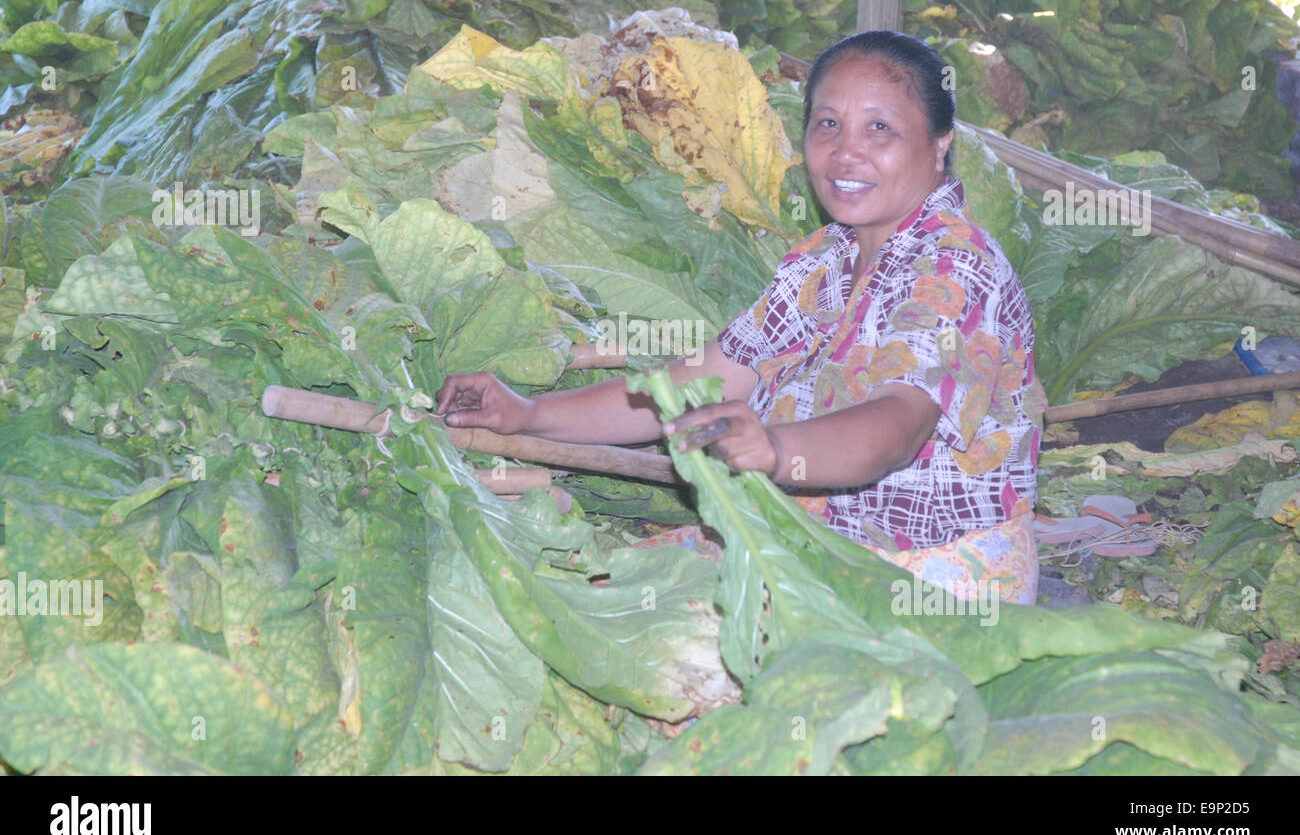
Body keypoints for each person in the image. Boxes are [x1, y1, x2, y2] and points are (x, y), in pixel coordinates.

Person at [435, 30, 1046, 604]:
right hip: (818, 541)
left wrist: (776, 450)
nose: (844, 152)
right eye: (827, 124)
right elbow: (698, 380)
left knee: (665, 650)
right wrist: (528, 414)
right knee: (583, 590)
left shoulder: (955, 268)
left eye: (879, 128)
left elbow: (898, 427)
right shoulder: (825, 261)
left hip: (933, 577)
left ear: (940, 145)